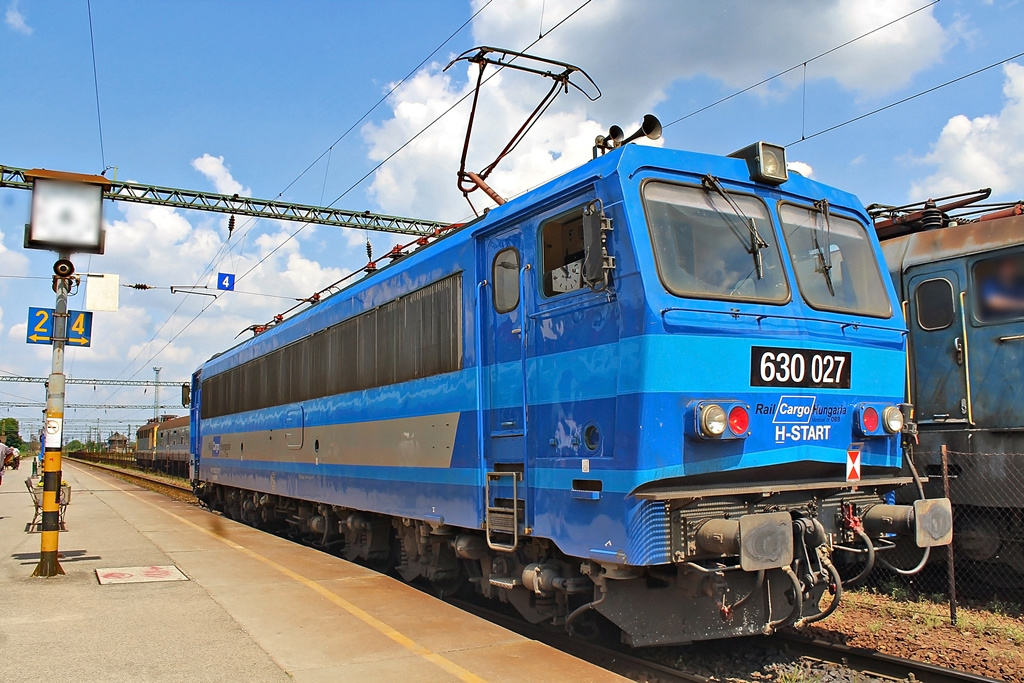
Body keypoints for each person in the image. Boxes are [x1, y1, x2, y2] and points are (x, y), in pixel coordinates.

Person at [979, 256, 1024, 320]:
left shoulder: (1020, 281)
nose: (1010, 269)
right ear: (999, 268)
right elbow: (993, 302)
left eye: (1012, 266)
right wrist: (1020, 304)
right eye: (1007, 266)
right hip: (997, 323)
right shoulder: (990, 281)